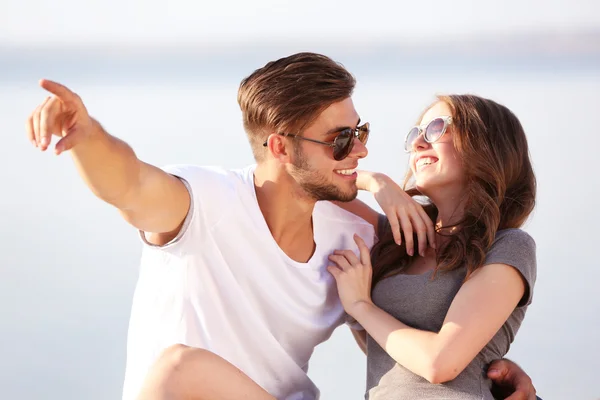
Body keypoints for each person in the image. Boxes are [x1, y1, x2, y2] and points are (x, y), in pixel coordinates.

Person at [26, 52, 536, 400]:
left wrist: (502, 375)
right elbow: (130, 186)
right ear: (279, 146)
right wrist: (87, 136)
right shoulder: (204, 202)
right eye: (340, 140)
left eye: (361, 134)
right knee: (176, 368)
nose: (359, 150)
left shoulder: (357, 236)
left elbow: (434, 336)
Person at [328, 94, 538, 399]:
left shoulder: (508, 246)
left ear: (487, 144)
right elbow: (300, 183)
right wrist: (376, 183)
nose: (418, 144)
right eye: (416, 134)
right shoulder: (397, 239)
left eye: (437, 128)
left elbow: (440, 364)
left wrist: (361, 306)